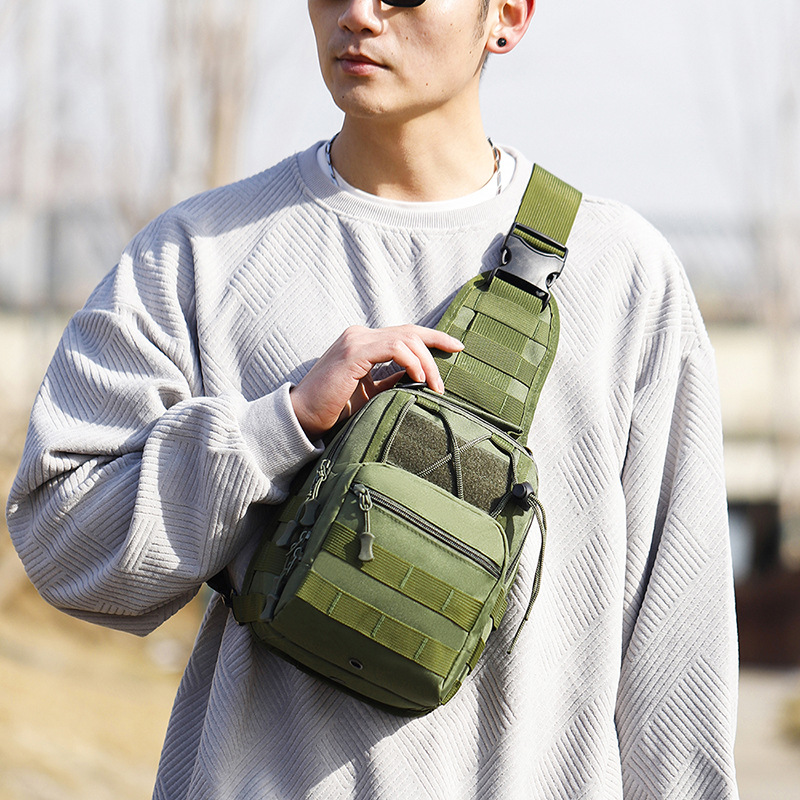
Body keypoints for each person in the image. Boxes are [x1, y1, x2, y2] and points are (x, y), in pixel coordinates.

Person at [7, 0, 740, 797]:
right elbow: (62, 543)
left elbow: (679, 644)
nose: (358, 14)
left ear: (508, 15)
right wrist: (275, 428)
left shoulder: (623, 275)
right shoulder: (201, 254)